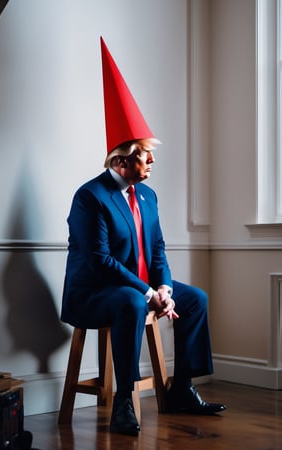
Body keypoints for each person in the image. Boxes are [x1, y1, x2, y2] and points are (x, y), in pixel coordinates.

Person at [61, 37, 226, 436]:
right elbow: (100, 260)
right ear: (120, 160)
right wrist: (148, 293)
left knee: (196, 298)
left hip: (140, 288)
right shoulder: (90, 197)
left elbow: (157, 248)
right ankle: (123, 403)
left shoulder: (148, 196)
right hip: (94, 293)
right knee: (133, 302)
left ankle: (183, 386)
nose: (151, 160)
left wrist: (165, 285)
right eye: (142, 153)